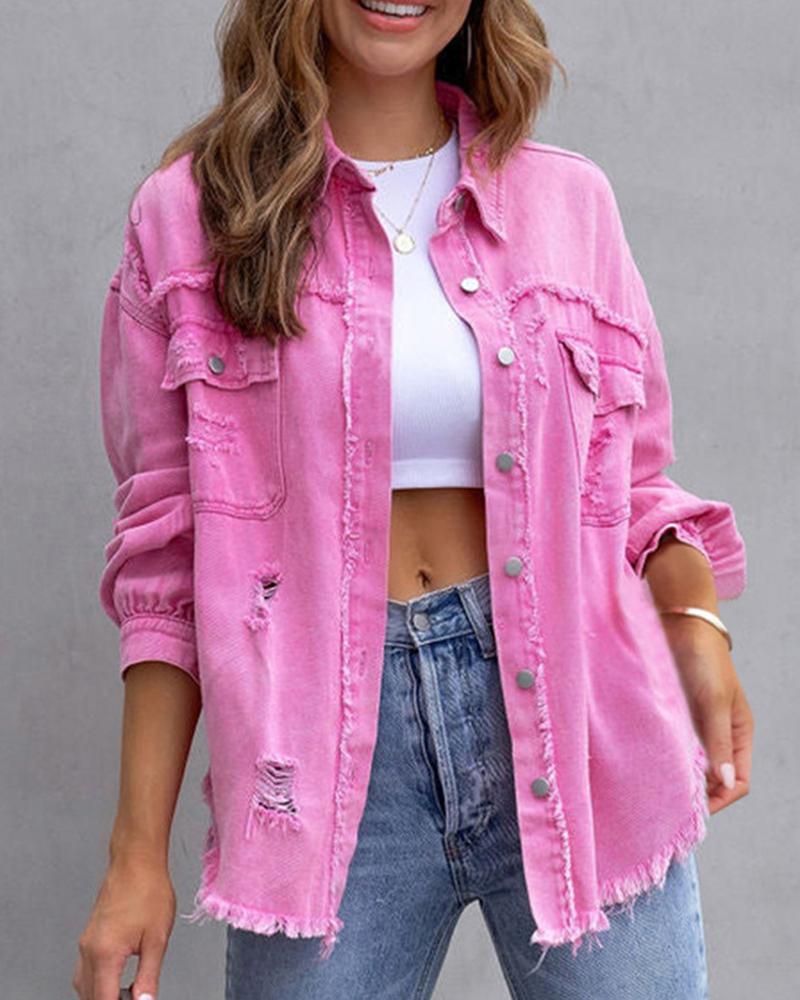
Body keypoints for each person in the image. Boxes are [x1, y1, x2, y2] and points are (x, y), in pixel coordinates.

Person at [73, 1, 754, 998]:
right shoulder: (189, 217)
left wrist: (695, 627)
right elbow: (165, 563)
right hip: (314, 760)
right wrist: (136, 855)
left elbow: (637, 488)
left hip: (580, 722)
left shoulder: (569, 203)